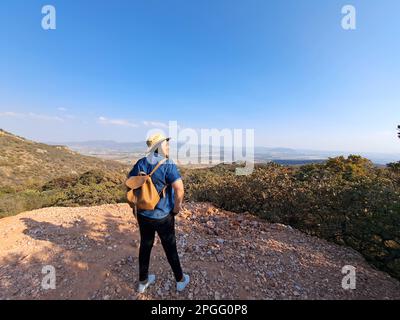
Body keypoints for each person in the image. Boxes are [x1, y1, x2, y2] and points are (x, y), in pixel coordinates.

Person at [128, 133, 190, 293]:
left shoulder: (141, 163)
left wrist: (134, 208)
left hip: (143, 214)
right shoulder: (168, 164)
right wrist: (176, 209)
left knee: (145, 245)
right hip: (163, 216)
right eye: (166, 144)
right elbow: (179, 189)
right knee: (170, 247)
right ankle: (180, 280)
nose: (168, 146)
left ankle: (143, 282)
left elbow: (130, 184)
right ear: (159, 147)